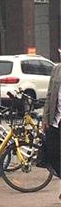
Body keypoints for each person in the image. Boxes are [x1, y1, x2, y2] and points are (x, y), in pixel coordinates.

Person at [42, 59, 61, 187]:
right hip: (56, 120)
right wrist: (45, 118)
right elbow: (49, 95)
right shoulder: (56, 69)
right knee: (52, 154)